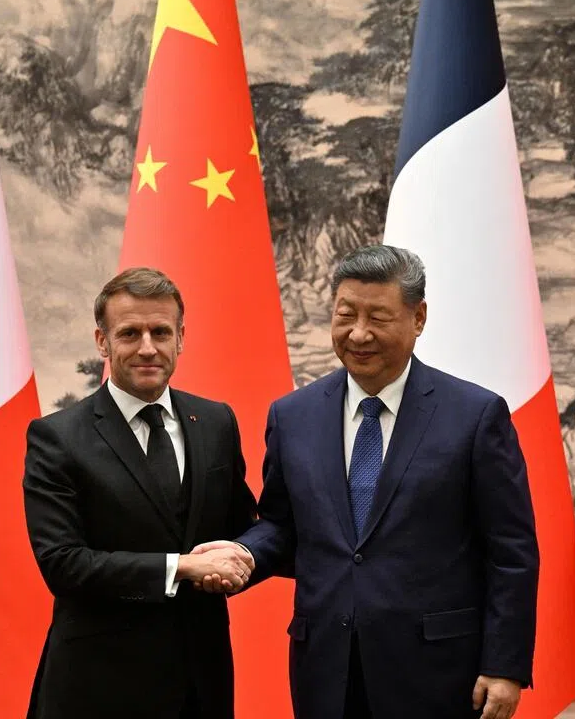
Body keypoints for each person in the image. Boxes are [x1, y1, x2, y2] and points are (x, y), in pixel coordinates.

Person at [200, 245, 539, 719]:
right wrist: (244, 554)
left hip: (440, 673)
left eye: (378, 317)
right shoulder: (292, 415)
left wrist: (505, 665)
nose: (359, 334)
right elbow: (283, 524)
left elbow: (511, 551)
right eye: (346, 315)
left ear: (417, 318)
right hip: (326, 669)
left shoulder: (474, 416)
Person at [23, 267, 257, 719]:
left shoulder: (216, 423)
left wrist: (245, 556)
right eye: (130, 333)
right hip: (98, 688)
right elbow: (63, 563)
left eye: (160, 332)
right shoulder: (57, 437)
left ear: (181, 338)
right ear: (102, 341)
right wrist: (183, 567)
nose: (147, 347)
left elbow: (241, 528)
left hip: (201, 685)